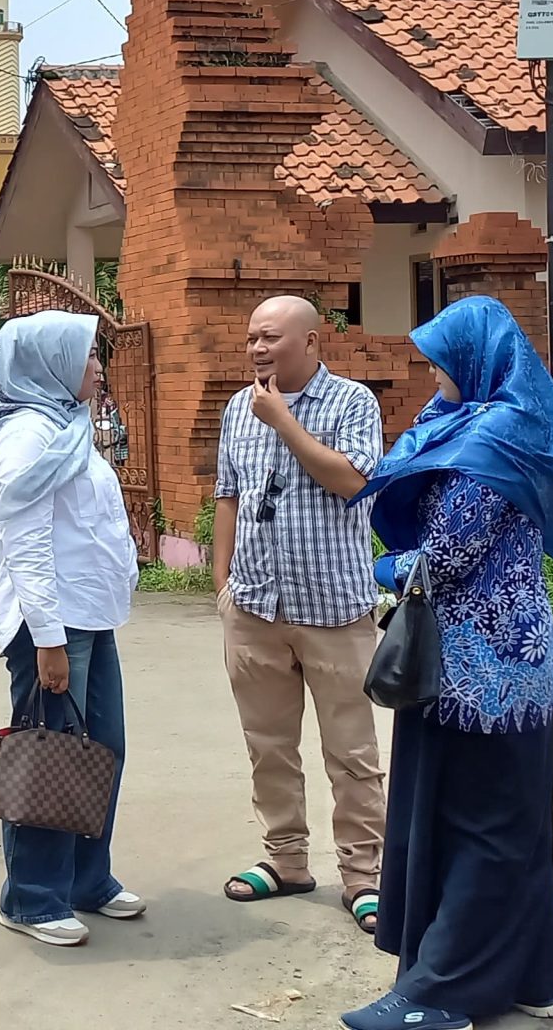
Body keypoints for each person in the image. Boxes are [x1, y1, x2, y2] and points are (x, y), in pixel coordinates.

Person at [343, 296, 553, 1030]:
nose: (429, 369)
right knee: (509, 824)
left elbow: (447, 556)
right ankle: (535, 978)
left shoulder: (497, 437)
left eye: (440, 356)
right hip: (492, 663)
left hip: (478, 671)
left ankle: (441, 996)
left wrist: (383, 568)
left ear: (476, 357)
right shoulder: (495, 420)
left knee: (484, 830)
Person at [210, 296, 389, 933]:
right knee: (269, 746)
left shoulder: (352, 403)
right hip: (257, 605)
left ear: (311, 342)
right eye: (252, 337)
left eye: (272, 338)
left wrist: (284, 421)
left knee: (351, 751)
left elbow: (352, 481)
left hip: (334, 608)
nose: (258, 349)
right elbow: (227, 495)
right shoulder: (238, 407)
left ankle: (365, 875)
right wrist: (222, 580)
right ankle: (285, 859)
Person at [0, 311, 144, 948]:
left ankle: (85, 879)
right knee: (49, 753)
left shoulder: (68, 426)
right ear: (52, 363)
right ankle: (31, 896)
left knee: (100, 748)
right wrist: (46, 638)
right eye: (88, 356)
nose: (98, 367)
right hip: (51, 623)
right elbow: (23, 542)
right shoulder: (25, 436)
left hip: (91, 616)